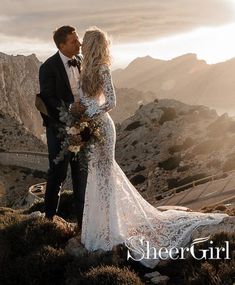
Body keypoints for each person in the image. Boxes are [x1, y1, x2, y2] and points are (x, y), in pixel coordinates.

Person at [69, 26, 229, 268]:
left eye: (85, 42)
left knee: (106, 175)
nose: (80, 45)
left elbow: (111, 101)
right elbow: (81, 100)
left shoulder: (103, 69)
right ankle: (97, 227)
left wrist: (91, 116)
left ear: (92, 45)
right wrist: (77, 114)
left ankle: (112, 229)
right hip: (89, 129)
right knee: (96, 174)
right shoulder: (84, 69)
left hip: (102, 127)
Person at [37, 25, 88, 227]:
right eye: (74, 41)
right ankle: (49, 220)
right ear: (62, 45)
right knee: (58, 173)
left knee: (81, 174)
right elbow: (48, 97)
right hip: (59, 129)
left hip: (84, 127)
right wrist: (69, 108)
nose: (79, 43)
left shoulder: (81, 61)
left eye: (78, 39)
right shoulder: (47, 67)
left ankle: (83, 224)